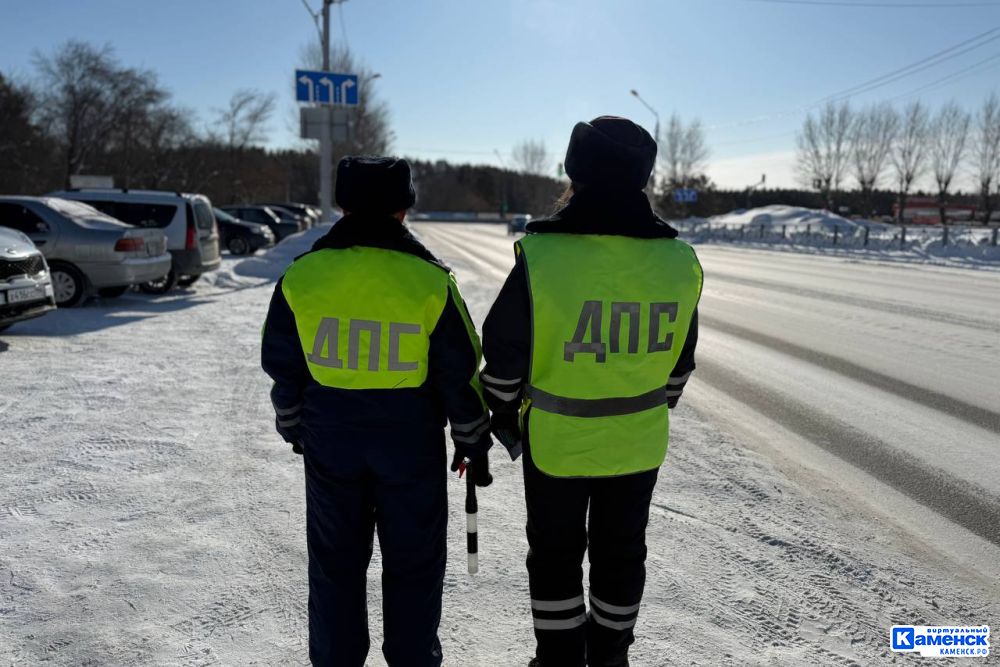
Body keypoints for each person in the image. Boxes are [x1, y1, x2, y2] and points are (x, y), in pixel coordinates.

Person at [480, 117, 703, 667]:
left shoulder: (542, 256)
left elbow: (503, 359)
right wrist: (638, 402)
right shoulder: (680, 262)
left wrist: (505, 415)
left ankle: (558, 660)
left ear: (572, 173)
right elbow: (680, 366)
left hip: (555, 442)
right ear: (642, 178)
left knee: (556, 557)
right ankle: (610, 657)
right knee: (622, 555)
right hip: (638, 442)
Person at [261, 156, 494, 666]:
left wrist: (293, 421)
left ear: (341, 204)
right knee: (414, 564)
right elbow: (459, 371)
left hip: (330, 436)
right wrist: (472, 440)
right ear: (404, 209)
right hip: (409, 439)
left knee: (335, 565)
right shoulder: (430, 281)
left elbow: (282, 364)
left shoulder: (302, 275)